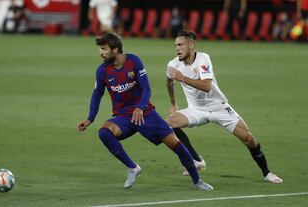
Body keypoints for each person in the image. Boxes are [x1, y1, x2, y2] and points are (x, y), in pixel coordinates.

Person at [77, 32, 213, 190]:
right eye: (100, 49)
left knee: (175, 144)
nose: (101, 53)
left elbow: (146, 89)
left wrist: (140, 108)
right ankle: (133, 168)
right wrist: (90, 118)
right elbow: (97, 94)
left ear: (115, 50)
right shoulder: (102, 71)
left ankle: (197, 181)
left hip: (146, 113)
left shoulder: (134, 61)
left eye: (104, 49)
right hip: (123, 117)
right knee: (104, 132)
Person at [165, 30, 283, 184]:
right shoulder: (173, 64)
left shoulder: (203, 59)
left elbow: (206, 86)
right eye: (175, 45)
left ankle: (267, 173)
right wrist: (173, 104)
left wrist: (183, 78)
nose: (177, 48)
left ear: (191, 45)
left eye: (180, 45)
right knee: (167, 124)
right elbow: (169, 82)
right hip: (196, 110)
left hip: (218, 107)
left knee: (249, 139)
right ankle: (196, 160)